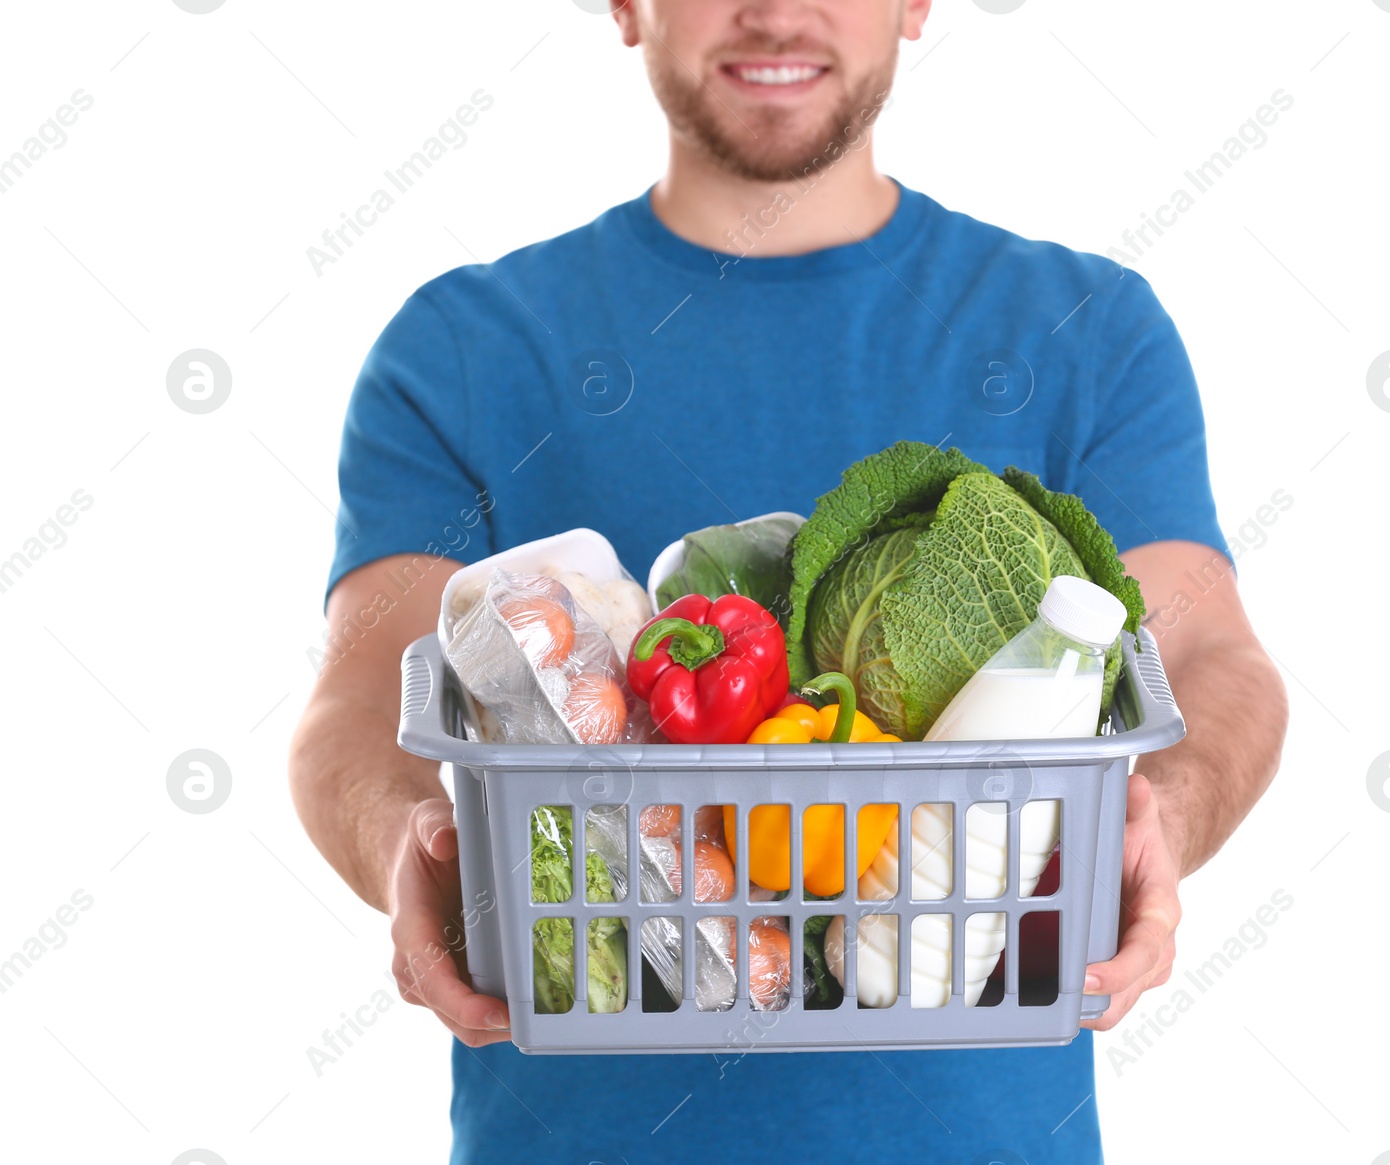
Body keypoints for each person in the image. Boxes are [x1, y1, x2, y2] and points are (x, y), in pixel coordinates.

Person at [289, 1, 1289, 1160]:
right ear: (624, 6)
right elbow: (362, 699)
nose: (772, 10)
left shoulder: (1086, 327)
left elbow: (1212, 659)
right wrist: (402, 839)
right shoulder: (464, 344)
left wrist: (1158, 812)